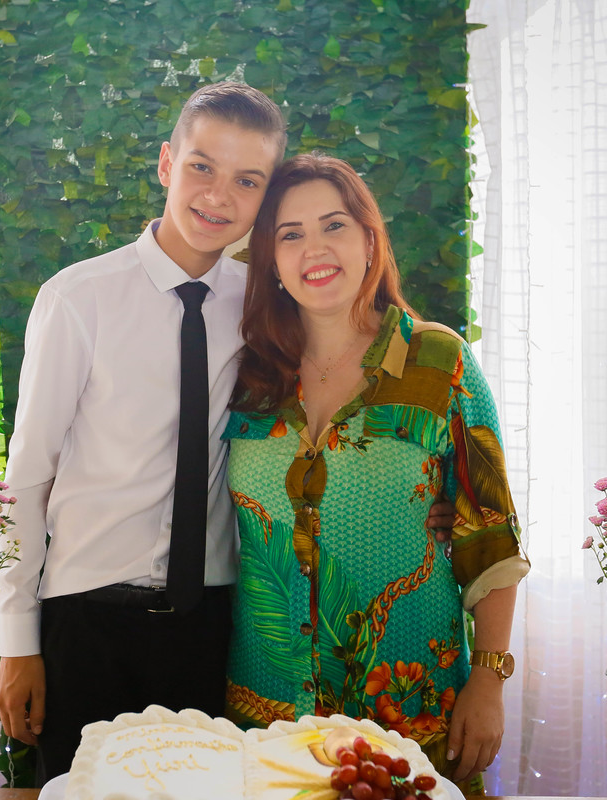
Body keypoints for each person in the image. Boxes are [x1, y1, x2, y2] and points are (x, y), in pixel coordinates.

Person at [0, 82, 457, 784]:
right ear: (166, 163)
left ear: (265, 200)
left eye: (248, 180)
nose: (218, 195)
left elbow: (333, 404)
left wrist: (421, 500)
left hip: (213, 625)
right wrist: (17, 640)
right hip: (87, 619)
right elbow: (26, 478)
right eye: (201, 167)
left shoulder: (270, 305)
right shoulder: (78, 299)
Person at [222, 153, 529, 796]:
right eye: (290, 234)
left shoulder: (439, 361)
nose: (315, 249)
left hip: (408, 709)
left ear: (369, 239)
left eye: (333, 225)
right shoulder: (246, 374)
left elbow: (490, 535)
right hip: (266, 709)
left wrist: (489, 680)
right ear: (271, 261)